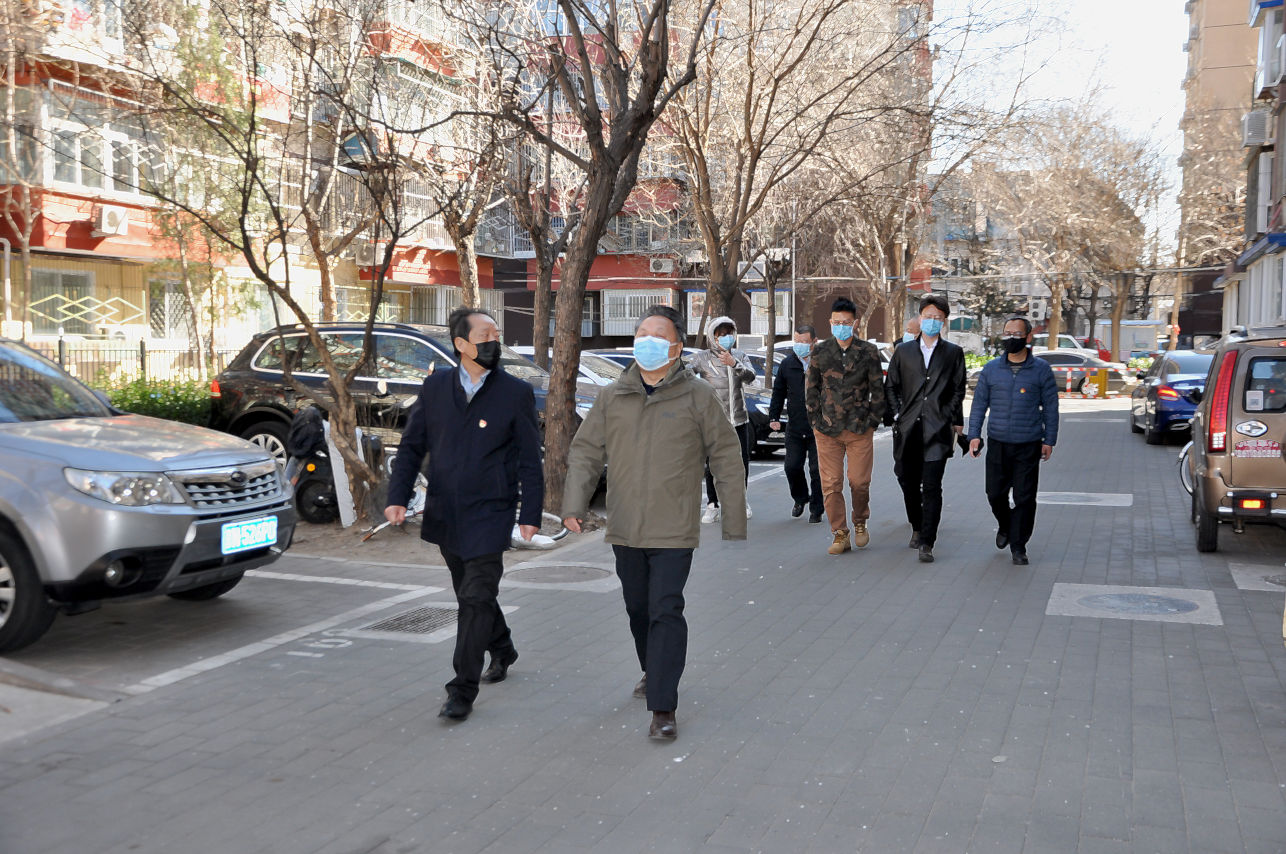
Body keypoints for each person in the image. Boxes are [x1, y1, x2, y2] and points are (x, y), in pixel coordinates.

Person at [562, 305, 746, 740]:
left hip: (673, 525)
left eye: (657, 336)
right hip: (625, 524)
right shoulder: (613, 395)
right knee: (638, 608)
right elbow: (586, 451)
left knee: (665, 608)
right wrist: (574, 504)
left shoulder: (698, 395)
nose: (646, 341)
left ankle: (663, 706)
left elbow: (725, 453)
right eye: (641, 333)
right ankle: (653, 668)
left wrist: (733, 518)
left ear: (676, 348)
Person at [385, 307, 543, 722]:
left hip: (492, 511)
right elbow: (412, 446)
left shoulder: (515, 392)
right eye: (485, 335)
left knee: (474, 596)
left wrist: (531, 512)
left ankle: (461, 690)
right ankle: (503, 647)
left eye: (496, 334)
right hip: (446, 511)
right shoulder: (436, 386)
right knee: (471, 593)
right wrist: (398, 496)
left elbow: (530, 459)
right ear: (461, 344)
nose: (494, 342)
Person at [966, 315, 1060, 566]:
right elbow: (979, 405)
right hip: (998, 442)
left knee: (1024, 498)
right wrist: (974, 435)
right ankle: (1006, 525)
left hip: (1028, 443)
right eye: (1007, 333)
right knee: (994, 493)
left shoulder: (1041, 370)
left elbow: (1051, 407)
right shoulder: (991, 369)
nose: (1010, 338)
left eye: (1016, 334)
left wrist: (1049, 439)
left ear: (1028, 337)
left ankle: (1019, 546)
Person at [884, 294, 967, 563]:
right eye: (928, 316)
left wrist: (947, 415)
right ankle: (917, 526)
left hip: (937, 431)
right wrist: (898, 413)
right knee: (908, 482)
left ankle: (927, 541)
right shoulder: (903, 352)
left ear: (944, 322)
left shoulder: (953, 353)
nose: (932, 321)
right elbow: (891, 386)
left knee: (932, 486)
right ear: (920, 318)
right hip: (908, 429)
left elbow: (958, 389)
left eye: (937, 318)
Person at [806, 296, 886, 555]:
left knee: (859, 481)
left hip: (859, 428)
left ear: (855, 323)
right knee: (831, 484)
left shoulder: (868, 352)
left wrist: (873, 421)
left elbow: (878, 390)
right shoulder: (820, 351)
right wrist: (815, 421)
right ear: (830, 323)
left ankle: (860, 520)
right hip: (827, 430)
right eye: (837, 322)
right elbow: (811, 388)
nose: (841, 326)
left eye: (846, 322)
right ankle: (840, 533)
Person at [689, 316, 756, 523]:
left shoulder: (739, 355)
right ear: (713, 337)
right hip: (714, 421)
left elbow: (751, 377)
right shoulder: (702, 358)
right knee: (713, 463)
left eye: (729, 334)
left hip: (739, 419)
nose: (727, 338)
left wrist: (734, 363)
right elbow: (685, 375)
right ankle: (713, 504)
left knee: (741, 462)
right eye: (722, 335)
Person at [768, 324, 823, 523]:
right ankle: (800, 498)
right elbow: (778, 392)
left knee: (817, 471)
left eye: (804, 342)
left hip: (818, 427)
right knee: (791, 467)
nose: (800, 345)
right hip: (795, 426)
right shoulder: (787, 364)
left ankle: (817, 509)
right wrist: (774, 417)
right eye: (797, 341)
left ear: (814, 342)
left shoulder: (823, 363)